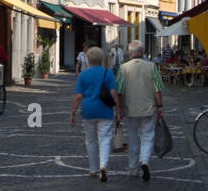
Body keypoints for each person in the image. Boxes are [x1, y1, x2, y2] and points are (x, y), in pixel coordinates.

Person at [116, 40, 164, 181]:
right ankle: (144, 160)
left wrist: (119, 109)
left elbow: (119, 91)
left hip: (130, 109)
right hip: (148, 108)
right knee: (147, 136)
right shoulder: (152, 67)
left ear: (130, 53)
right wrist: (160, 106)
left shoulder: (123, 68)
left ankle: (133, 168)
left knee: (132, 138)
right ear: (142, 52)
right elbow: (158, 89)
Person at [70, 46, 120, 182]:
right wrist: (118, 111)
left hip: (88, 110)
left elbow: (78, 96)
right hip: (105, 110)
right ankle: (103, 165)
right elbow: (114, 94)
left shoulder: (83, 75)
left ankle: (93, 169)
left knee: (91, 140)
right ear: (102, 58)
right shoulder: (107, 73)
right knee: (105, 139)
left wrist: (72, 113)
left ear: (88, 58)